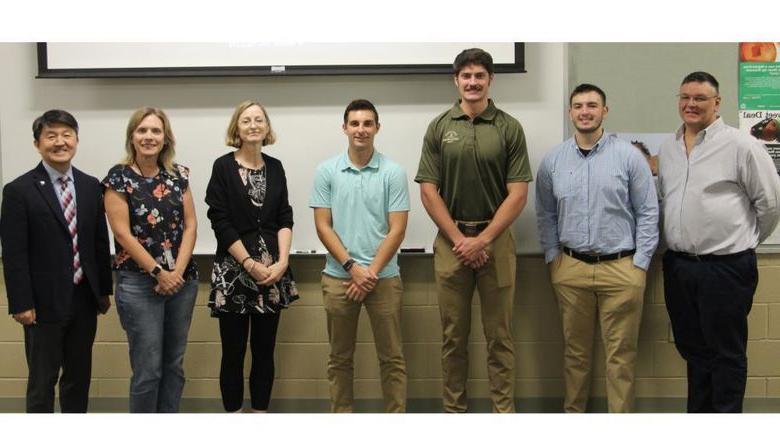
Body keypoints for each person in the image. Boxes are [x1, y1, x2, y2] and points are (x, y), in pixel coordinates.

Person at [415, 48, 533, 413]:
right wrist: (460, 241)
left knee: (500, 337)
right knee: (453, 338)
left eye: (479, 76)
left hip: (495, 243)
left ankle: (503, 413)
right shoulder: (439, 126)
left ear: (490, 80)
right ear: (456, 80)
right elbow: (428, 190)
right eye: (465, 76)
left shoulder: (509, 127)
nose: (472, 82)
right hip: (451, 243)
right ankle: (455, 413)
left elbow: (518, 193)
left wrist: (482, 240)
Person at [658, 71, 780, 413]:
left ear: (717, 102)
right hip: (680, 267)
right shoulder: (669, 147)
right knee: (693, 350)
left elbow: (769, 204)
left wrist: (743, 244)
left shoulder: (742, 144)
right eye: (685, 97)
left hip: (725, 268)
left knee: (726, 354)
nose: (690, 104)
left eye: (699, 98)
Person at [535, 84, 659, 413]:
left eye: (592, 105)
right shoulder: (553, 160)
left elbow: (648, 212)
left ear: (605, 111)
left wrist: (641, 263)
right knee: (575, 355)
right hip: (571, 268)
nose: (585, 111)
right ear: (570, 112)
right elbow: (545, 214)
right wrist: (553, 259)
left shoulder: (629, 157)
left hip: (622, 268)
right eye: (578, 106)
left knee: (620, 356)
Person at [1, 109, 112, 413]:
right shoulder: (18, 190)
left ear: (76, 140)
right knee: (42, 380)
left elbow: (99, 242)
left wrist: (103, 291)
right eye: (51, 136)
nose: (60, 142)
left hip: (83, 299)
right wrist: (21, 303)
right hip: (42, 303)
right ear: (37, 143)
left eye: (66, 135)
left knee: (78, 378)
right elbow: (14, 254)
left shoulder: (91, 186)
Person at [310, 99, 410, 413]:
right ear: (345, 128)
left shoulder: (393, 172)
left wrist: (369, 274)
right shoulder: (326, 171)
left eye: (368, 124)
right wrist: (353, 268)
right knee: (339, 359)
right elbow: (323, 226)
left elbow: (397, 229)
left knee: (392, 358)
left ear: (377, 128)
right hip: (340, 279)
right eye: (354, 124)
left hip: (383, 279)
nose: (361, 130)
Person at [103, 107, 198, 413]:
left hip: (181, 282)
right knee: (148, 371)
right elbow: (122, 234)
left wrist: (177, 272)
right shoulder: (118, 178)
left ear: (165, 137)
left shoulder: (178, 175)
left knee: (174, 366)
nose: (149, 137)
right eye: (142, 130)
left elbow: (191, 224)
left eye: (156, 131)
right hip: (139, 283)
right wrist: (160, 272)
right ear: (132, 136)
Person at [205, 100, 298, 413]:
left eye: (259, 120)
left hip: (272, 274)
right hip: (234, 274)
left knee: (264, 352)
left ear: (267, 127)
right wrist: (248, 263)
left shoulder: (276, 167)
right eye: (246, 120)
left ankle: (260, 415)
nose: (254, 125)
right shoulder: (223, 166)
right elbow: (220, 220)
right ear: (237, 129)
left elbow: (284, 217)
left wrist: (283, 261)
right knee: (232, 353)